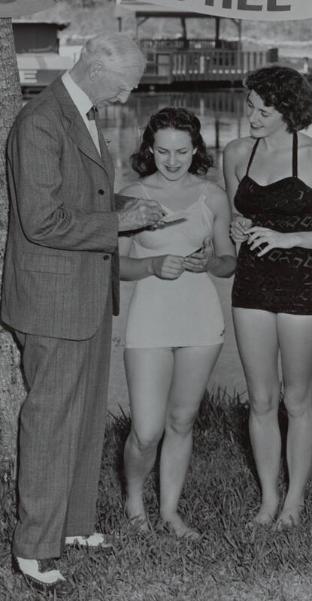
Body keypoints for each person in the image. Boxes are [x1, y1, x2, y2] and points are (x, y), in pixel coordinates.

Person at [1, 32, 165, 594]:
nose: (132, 90)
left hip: (86, 292)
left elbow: (83, 199)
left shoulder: (84, 112)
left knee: (86, 413)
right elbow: (41, 221)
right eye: (127, 80)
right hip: (51, 299)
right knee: (49, 422)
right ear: (96, 66)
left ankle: (73, 525)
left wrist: (127, 206)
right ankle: (33, 548)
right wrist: (122, 223)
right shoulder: (41, 122)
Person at [119, 107, 236, 538]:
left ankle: (169, 512)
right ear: (150, 149)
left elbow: (228, 262)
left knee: (182, 422)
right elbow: (113, 267)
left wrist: (211, 261)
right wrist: (151, 265)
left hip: (201, 318)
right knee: (147, 430)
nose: (172, 161)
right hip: (149, 318)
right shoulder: (131, 195)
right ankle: (134, 502)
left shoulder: (214, 195)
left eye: (181, 152)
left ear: (195, 150)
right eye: (163, 151)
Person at [223, 65, 312, 529]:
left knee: (297, 399)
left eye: (263, 110)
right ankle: (268, 499)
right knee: (261, 399)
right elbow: (234, 217)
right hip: (250, 285)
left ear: (289, 111)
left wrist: (292, 240)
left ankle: (295, 502)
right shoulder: (236, 152)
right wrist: (237, 227)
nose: (252, 117)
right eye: (249, 106)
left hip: (305, 284)